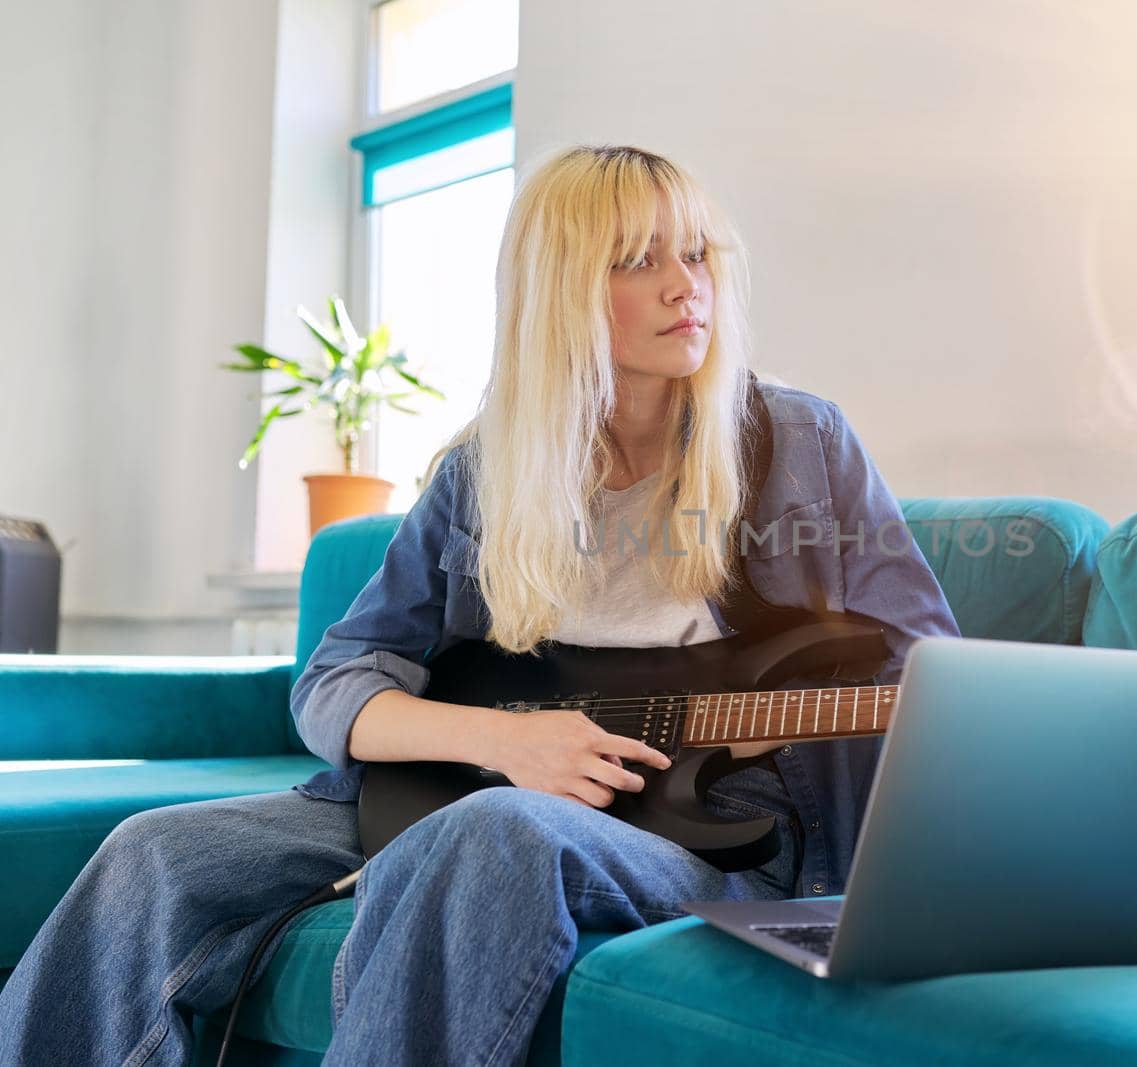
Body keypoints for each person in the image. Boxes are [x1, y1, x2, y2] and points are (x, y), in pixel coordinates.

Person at [0, 145, 962, 1065]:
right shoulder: (483, 470)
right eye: (639, 260)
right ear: (563, 294)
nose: (686, 284)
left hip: (705, 821)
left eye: (698, 251)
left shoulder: (800, 441)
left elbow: (932, 668)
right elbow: (336, 678)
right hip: (468, 778)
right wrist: (505, 742)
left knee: (498, 832)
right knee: (152, 851)